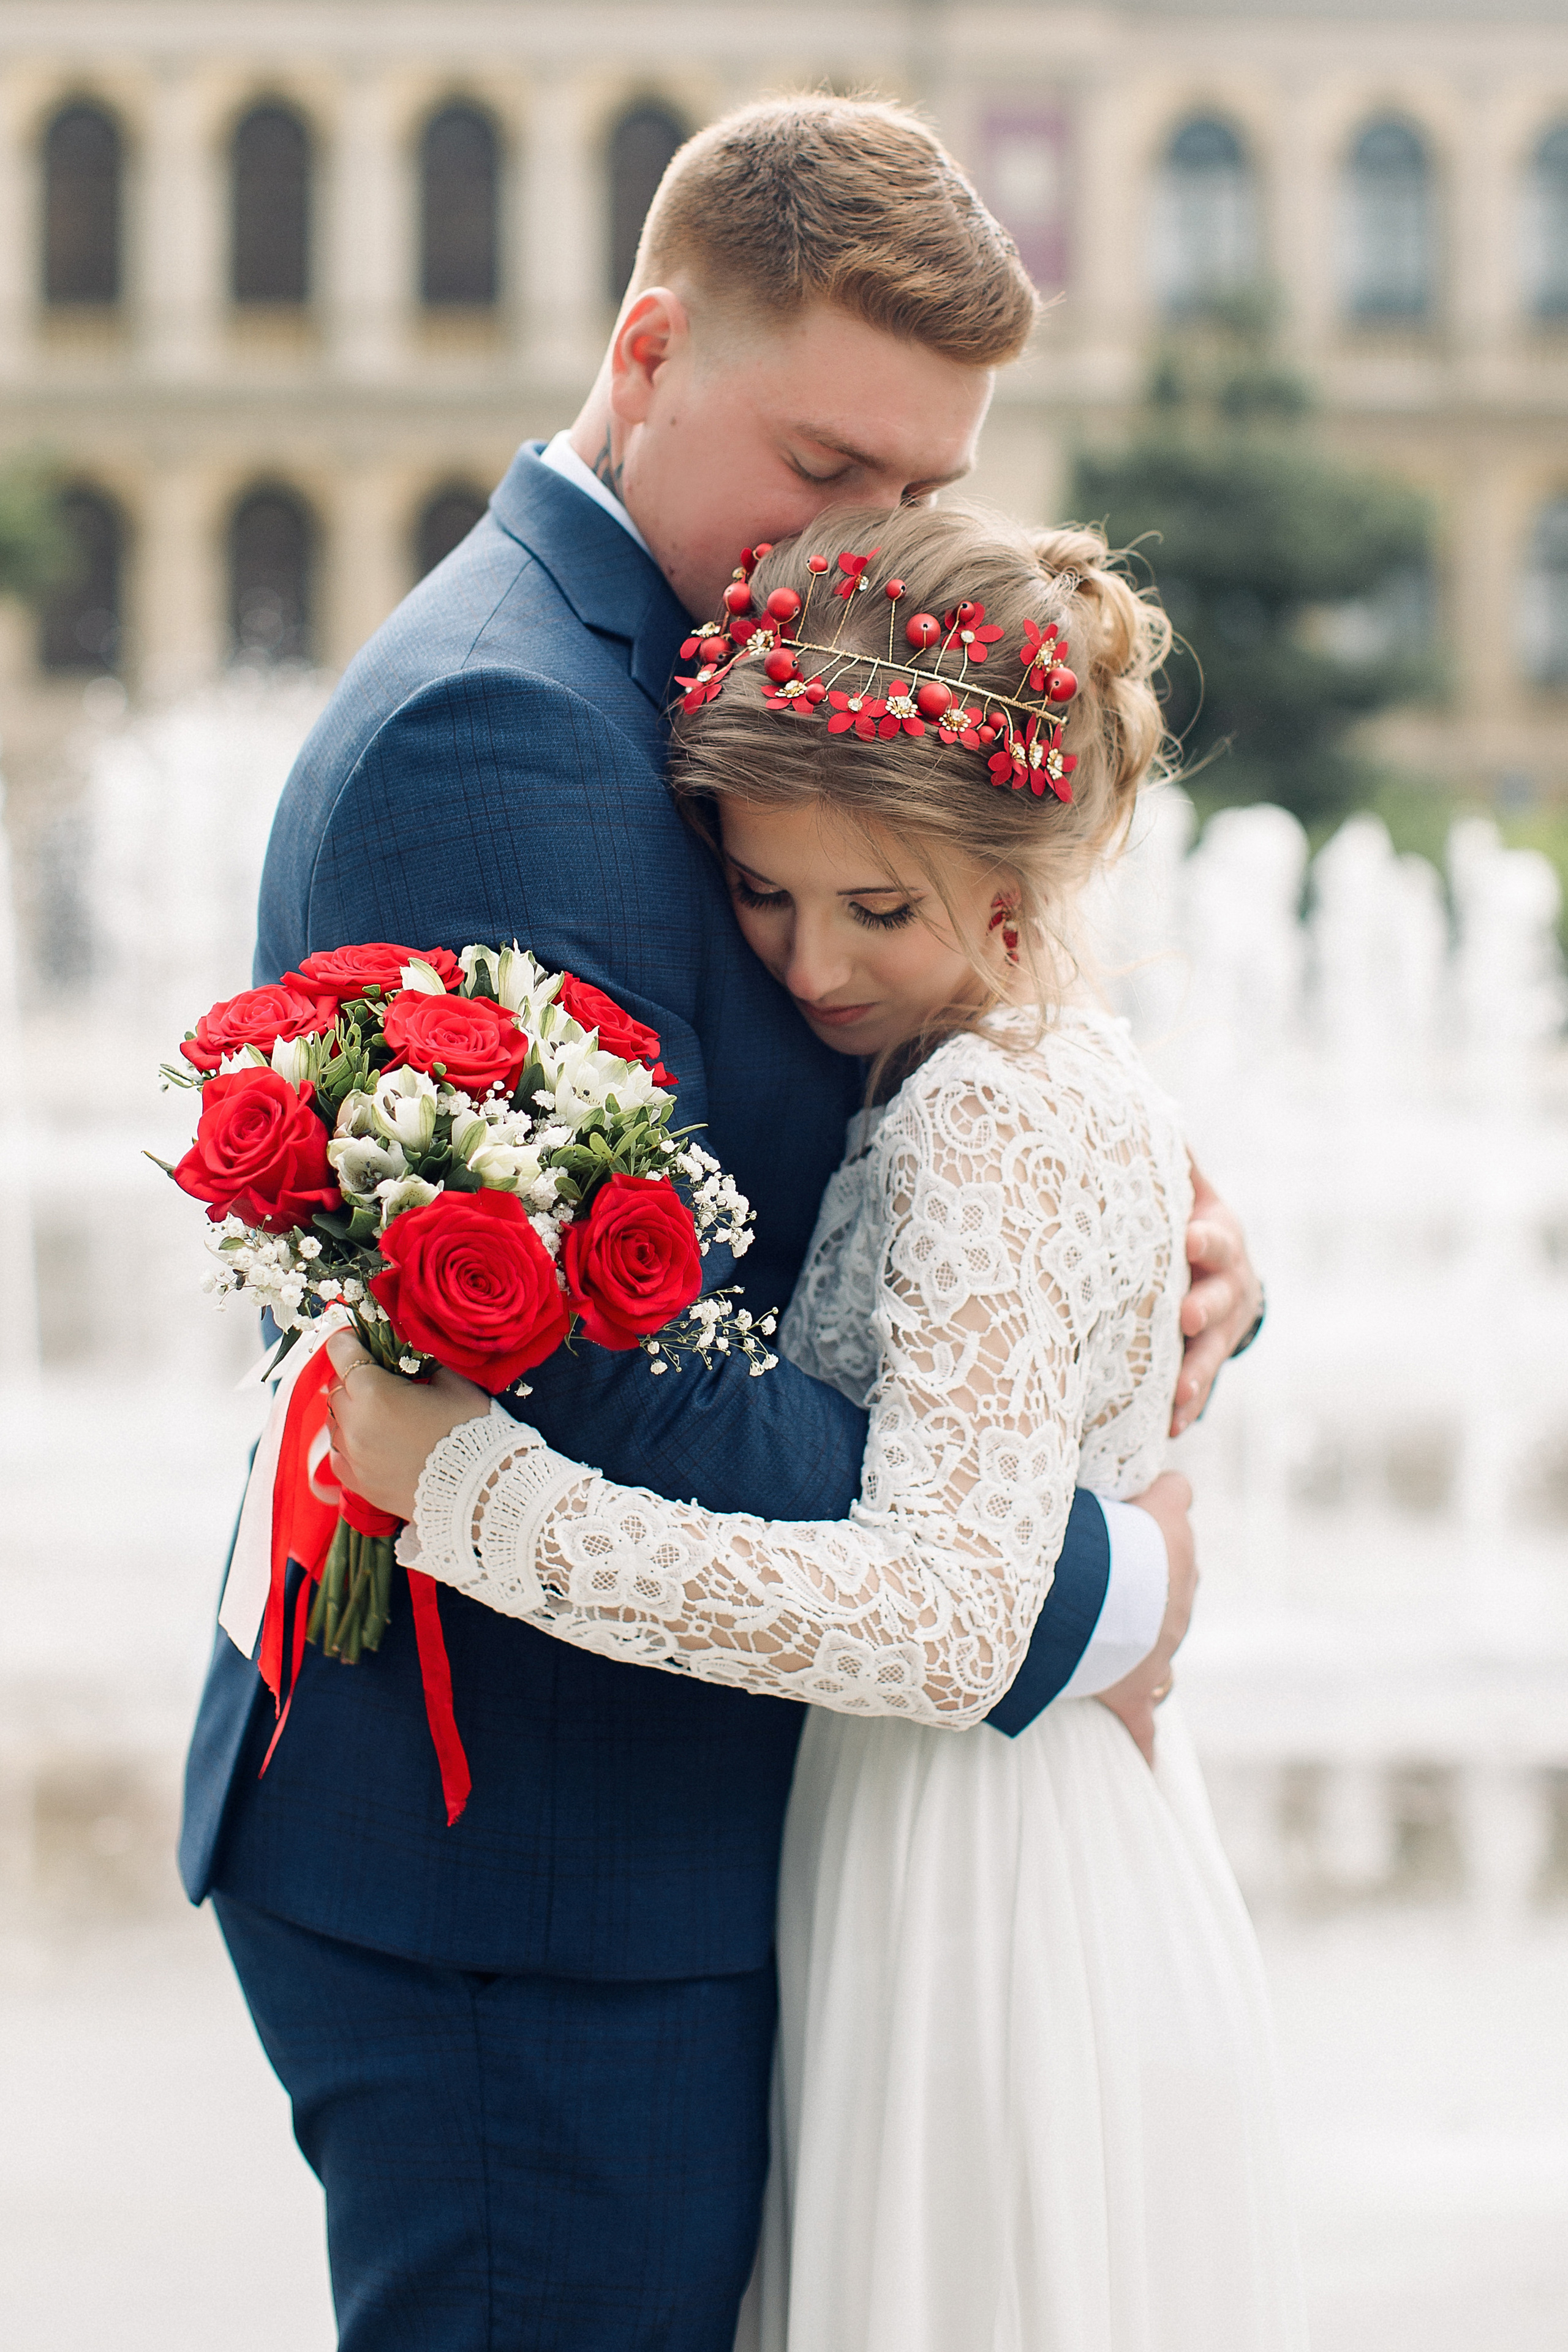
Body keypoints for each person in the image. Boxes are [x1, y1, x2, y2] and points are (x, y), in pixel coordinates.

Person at [180, 97, 1261, 2350]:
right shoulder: (506, 727)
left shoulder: (676, 664)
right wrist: (1097, 1578)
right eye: (826, 467)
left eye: (923, 489)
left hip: (669, 1837)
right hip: (538, 1875)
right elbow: (602, 1376)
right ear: (651, 348)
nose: (862, 540)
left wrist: (1160, 1289)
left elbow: (886, 1138)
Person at [325, 502, 1307, 2351]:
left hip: (980, 1888)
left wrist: (473, 1496)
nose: (809, 966)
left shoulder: (980, 1115)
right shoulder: (1024, 1065)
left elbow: (942, 1622)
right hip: (982, 1837)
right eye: (764, 895)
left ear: (1019, 896)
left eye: (879, 911)